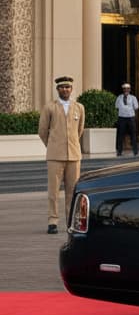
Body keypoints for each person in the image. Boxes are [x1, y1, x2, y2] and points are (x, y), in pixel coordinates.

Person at [38, 76, 85, 234]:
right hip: (55, 155)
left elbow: (80, 131)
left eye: (68, 87)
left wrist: (71, 144)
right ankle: (53, 221)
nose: (65, 90)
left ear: (71, 89)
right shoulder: (49, 107)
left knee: (73, 191)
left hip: (74, 155)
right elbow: (43, 131)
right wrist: (52, 145)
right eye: (62, 87)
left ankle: (71, 221)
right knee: (54, 190)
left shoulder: (79, 107)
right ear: (57, 89)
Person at [115, 82, 139, 157]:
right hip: (122, 118)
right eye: (125, 89)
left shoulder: (133, 98)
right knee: (120, 135)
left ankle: (135, 151)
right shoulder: (119, 97)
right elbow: (116, 106)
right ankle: (119, 151)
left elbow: (136, 107)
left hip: (130, 118)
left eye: (127, 89)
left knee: (133, 135)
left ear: (129, 90)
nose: (126, 90)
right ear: (123, 90)